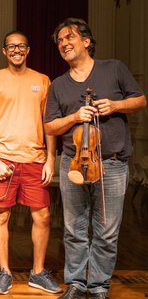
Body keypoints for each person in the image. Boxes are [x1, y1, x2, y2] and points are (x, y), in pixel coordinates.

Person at [44, 18, 146, 299]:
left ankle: (99, 286)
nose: (64, 43)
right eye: (60, 41)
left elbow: (140, 100)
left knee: (107, 231)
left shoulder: (113, 68)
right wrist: (75, 117)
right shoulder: (58, 85)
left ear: (86, 42)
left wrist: (115, 105)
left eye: (69, 37)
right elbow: (50, 126)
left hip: (111, 163)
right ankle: (76, 282)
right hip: (72, 163)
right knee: (74, 229)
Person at [0, 30, 61, 295]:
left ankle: (37, 272)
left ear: (28, 50)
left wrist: (51, 159)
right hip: (3, 160)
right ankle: (4, 272)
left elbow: (49, 125)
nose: (16, 50)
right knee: (1, 216)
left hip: (35, 159)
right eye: (11, 46)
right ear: (4, 51)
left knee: (43, 216)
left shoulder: (42, 80)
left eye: (21, 46)